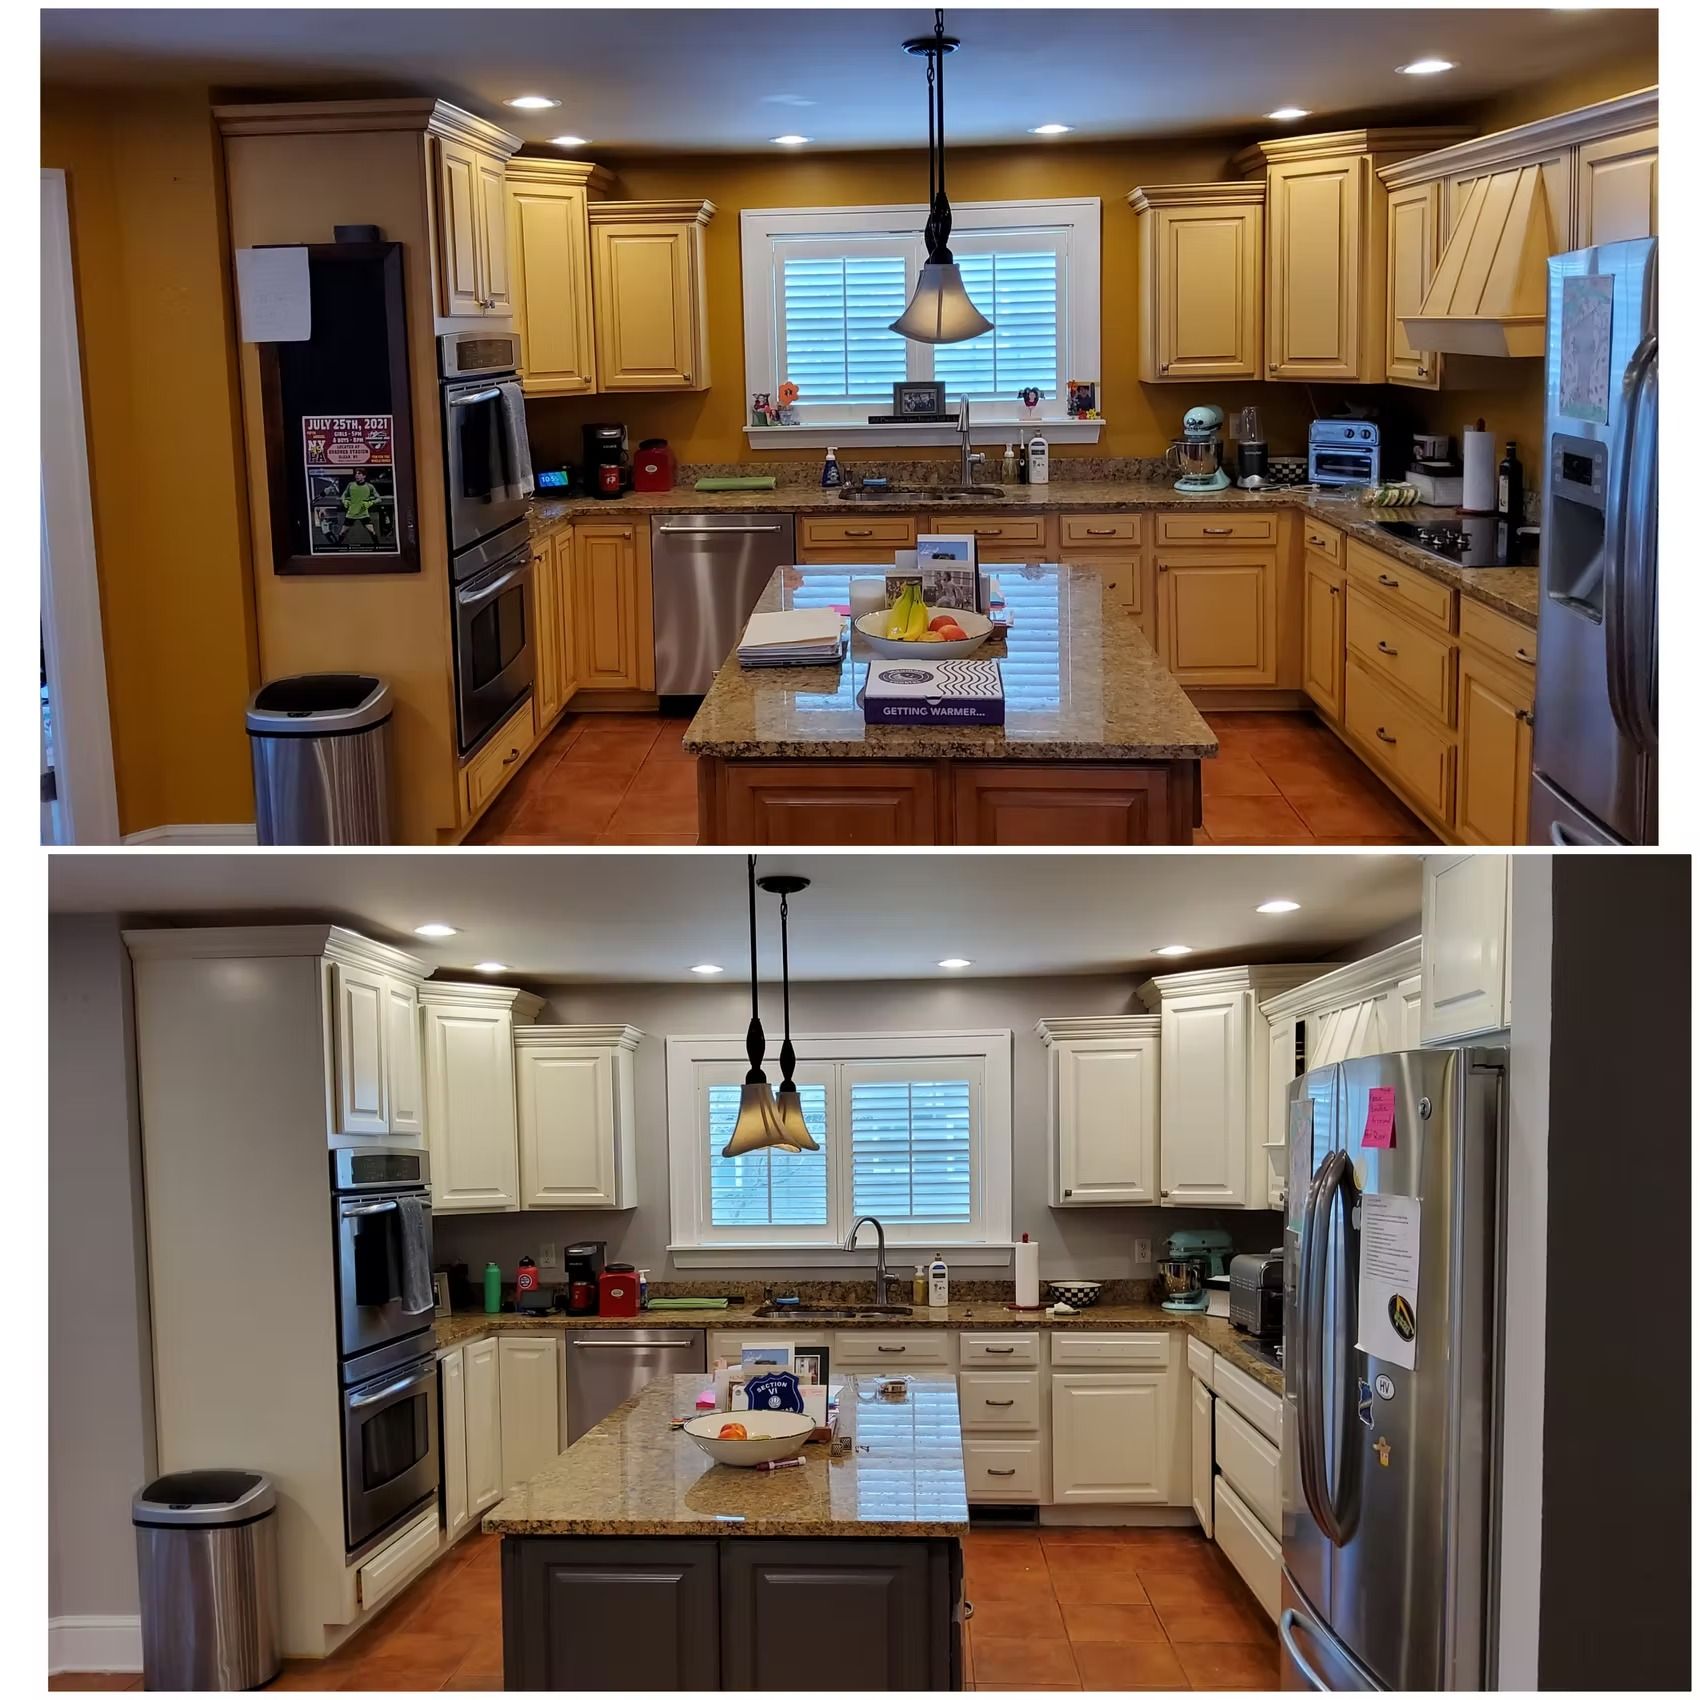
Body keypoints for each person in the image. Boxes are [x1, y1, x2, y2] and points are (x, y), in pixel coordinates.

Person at [340, 467, 382, 549]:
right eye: (356, 474)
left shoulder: (369, 486)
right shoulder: (350, 485)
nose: (357, 475)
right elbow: (343, 496)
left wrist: (370, 503)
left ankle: (378, 548)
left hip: (363, 514)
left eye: (359, 474)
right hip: (351, 514)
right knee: (342, 532)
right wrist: (344, 501)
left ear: (364, 476)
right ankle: (335, 549)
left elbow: (379, 499)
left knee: (372, 531)